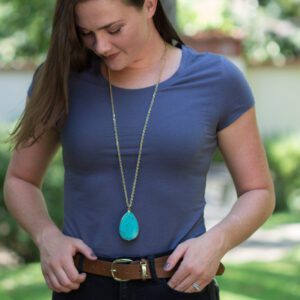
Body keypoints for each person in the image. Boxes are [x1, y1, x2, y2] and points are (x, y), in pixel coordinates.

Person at [4, 0, 275, 299]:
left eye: (113, 29)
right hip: (82, 287)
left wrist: (218, 241)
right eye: (86, 33)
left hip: (180, 285)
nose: (101, 46)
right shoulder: (60, 79)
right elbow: (20, 180)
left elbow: (258, 191)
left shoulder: (218, 81)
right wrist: (47, 237)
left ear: (149, 5)